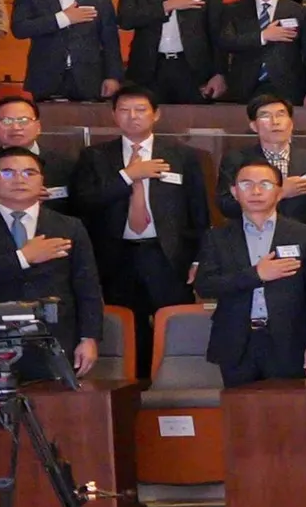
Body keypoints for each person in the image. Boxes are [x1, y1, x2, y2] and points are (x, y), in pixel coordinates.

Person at [68, 87, 206, 382]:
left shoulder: (184, 156)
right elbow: (83, 202)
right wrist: (128, 176)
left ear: (156, 114)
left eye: (141, 109)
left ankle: (172, 386)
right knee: (127, 329)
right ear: (114, 115)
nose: (133, 116)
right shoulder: (94, 157)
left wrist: (198, 258)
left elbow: (198, 212)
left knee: (173, 325)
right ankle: (132, 387)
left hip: (167, 256)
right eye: (125, 110)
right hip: (116, 257)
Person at [0, 148, 102, 381]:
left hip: (54, 339)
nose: (19, 179)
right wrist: (23, 258)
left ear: (42, 182)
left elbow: (87, 286)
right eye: (8, 173)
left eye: (29, 173)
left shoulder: (69, 226)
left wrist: (89, 338)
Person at [203, 157, 306, 386]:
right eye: (246, 184)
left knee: (288, 415)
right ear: (234, 191)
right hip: (237, 343)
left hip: (289, 341)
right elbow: (205, 285)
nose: (256, 191)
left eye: (265, 184)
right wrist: (256, 275)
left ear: (279, 192)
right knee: (240, 416)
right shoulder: (217, 236)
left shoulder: (303, 234)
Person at [11, 0, 120, 102]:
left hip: (90, 76)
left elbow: (110, 38)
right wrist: (64, 18)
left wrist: (113, 76)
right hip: (46, 75)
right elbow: (20, 28)